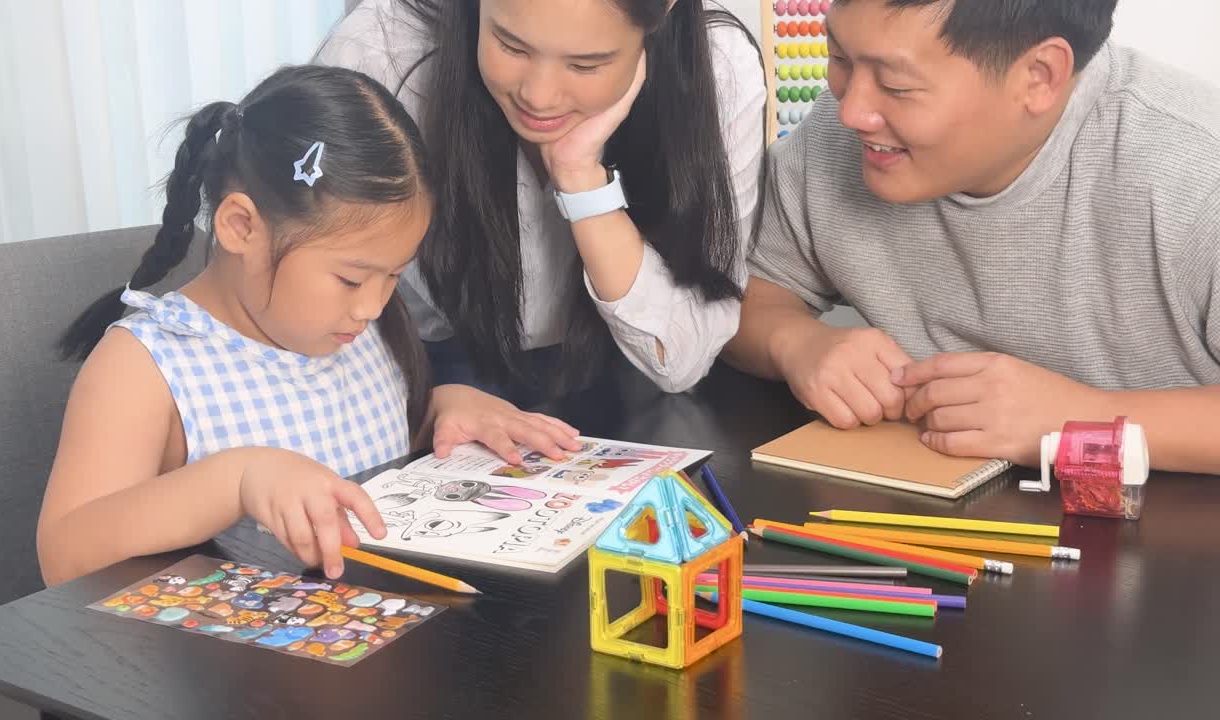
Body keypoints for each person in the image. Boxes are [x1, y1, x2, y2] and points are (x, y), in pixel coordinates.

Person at [38, 65, 580, 587]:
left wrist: (444, 407)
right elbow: (64, 556)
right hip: (230, 670)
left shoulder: (356, 329)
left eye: (392, 275)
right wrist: (238, 481)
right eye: (350, 279)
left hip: (383, 643)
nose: (372, 305)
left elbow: (359, 448)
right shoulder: (146, 365)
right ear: (241, 226)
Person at [724, 0, 1220, 473]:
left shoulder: (1196, 173)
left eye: (895, 86)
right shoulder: (841, 138)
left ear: (1039, 76)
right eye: (839, 58)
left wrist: (1084, 419)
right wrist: (796, 343)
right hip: (915, 526)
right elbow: (736, 299)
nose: (852, 110)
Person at [317, 0, 766, 402]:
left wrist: (582, 181)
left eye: (586, 65)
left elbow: (682, 359)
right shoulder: (381, 50)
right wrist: (425, 411)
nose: (539, 97)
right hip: (425, 387)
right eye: (511, 46)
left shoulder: (719, 66)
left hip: (632, 397)